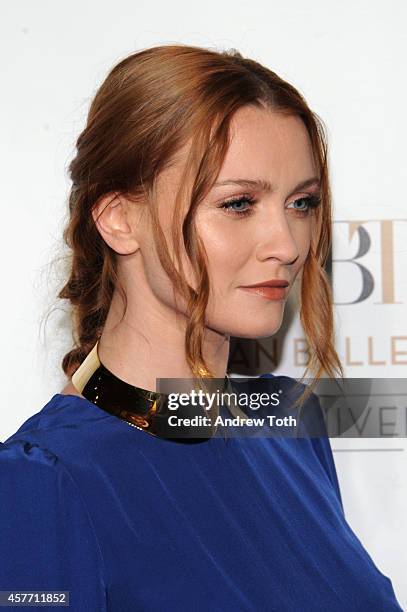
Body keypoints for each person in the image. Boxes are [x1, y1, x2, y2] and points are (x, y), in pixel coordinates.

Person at [0, 44, 402, 611]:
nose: (287, 246)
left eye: (302, 203)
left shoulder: (288, 420)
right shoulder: (45, 483)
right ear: (118, 218)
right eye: (239, 204)